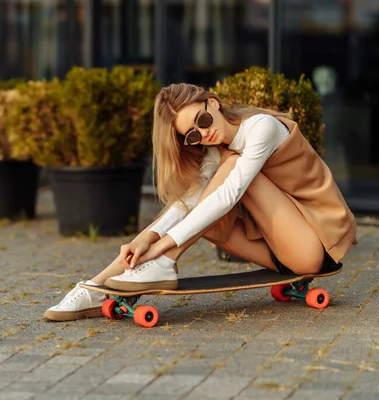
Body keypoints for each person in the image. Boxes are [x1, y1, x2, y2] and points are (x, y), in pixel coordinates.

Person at [43, 83, 357, 322]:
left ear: (213, 102)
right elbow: (189, 203)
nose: (202, 134)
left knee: (228, 175)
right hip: (277, 251)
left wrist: (165, 246)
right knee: (202, 205)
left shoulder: (261, 128)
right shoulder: (218, 149)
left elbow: (228, 194)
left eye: (202, 120)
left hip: (314, 244)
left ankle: (162, 265)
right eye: (192, 135)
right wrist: (145, 239)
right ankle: (93, 289)